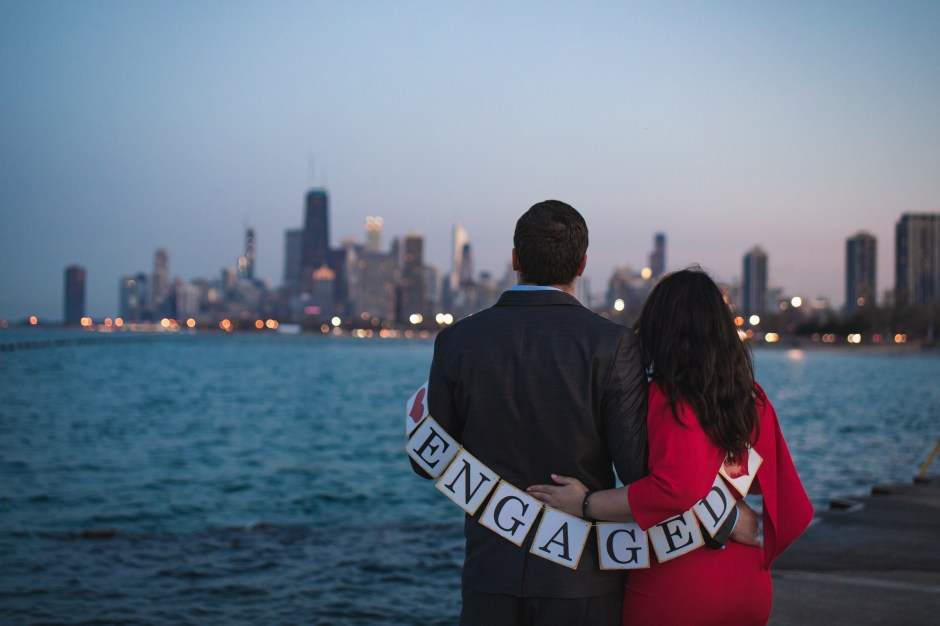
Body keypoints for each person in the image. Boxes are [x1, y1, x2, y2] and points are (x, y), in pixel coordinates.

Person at [527, 268, 814, 625]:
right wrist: (729, 515)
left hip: (680, 585)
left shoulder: (669, 399)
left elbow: (674, 490)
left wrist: (585, 504)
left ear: (659, 330)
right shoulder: (752, 397)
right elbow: (757, 481)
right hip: (747, 582)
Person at [416, 200, 648, 626]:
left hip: (490, 572)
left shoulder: (457, 341)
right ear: (582, 265)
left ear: (515, 259)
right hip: (579, 576)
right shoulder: (613, 344)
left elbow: (427, 461)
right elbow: (637, 471)